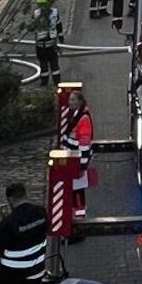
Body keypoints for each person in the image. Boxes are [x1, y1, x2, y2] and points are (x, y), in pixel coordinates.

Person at [62, 88, 94, 222]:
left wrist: (82, 166)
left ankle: (80, 219)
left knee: (78, 191)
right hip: (72, 160)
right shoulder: (75, 115)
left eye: (73, 100)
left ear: (80, 102)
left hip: (78, 161)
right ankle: (76, 217)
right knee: (74, 190)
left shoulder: (83, 119)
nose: (70, 102)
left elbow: (84, 145)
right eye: (69, 99)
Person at [32, 0, 64, 85]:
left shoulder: (36, 14)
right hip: (51, 44)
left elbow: (33, 28)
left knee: (44, 63)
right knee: (53, 64)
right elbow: (59, 26)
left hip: (41, 45)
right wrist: (61, 38)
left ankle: (45, 81)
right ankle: (56, 81)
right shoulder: (54, 13)